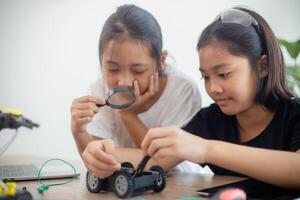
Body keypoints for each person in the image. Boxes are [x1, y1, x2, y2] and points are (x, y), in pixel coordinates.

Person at [141, 7, 300, 189]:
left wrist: (207, 149)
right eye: (206, 77)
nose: (212, 89)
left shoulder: (294, 115)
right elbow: (153, 162)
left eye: (223, 74)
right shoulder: (211, 120)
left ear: (262, 67)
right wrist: (104, 154)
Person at [70, 4, 202, 178]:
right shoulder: (101, 89)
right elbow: (98, 162)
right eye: (113, 69)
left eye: (138, 70)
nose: (124, 82)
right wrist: (78, 131)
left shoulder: (182, 90)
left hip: (180, 182)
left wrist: (127, 114)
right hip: (126, 182)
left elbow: (159, 161)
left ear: (161, 61)